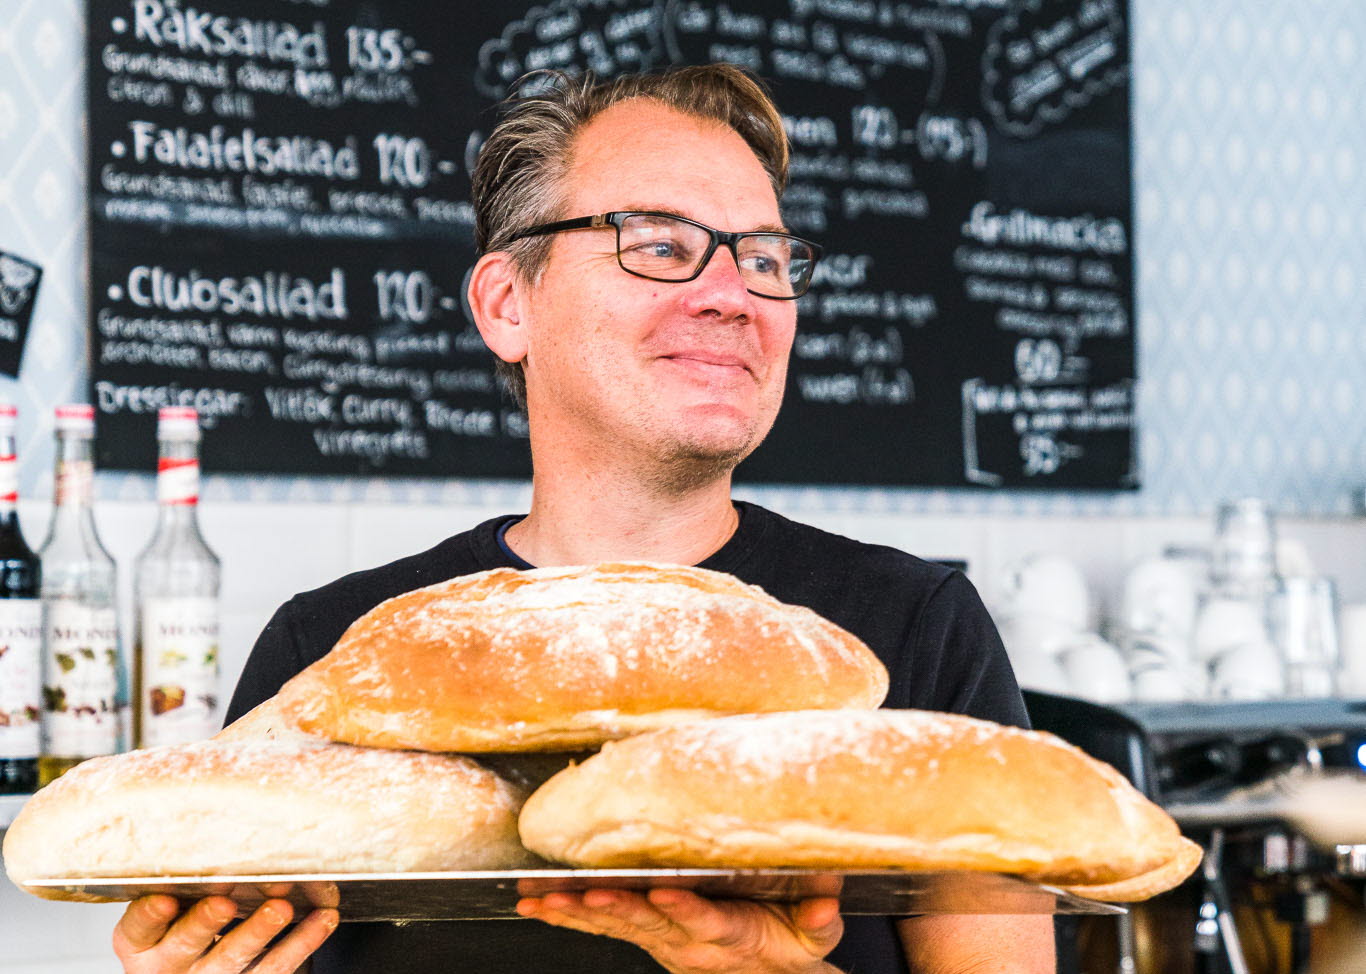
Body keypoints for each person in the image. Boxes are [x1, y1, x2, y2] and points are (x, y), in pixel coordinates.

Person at [111, 64, 1055, 974]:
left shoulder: (913, 629)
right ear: (506, 304)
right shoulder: (342, 656)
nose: (733, 295)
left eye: (764, 257)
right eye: (657, 244)